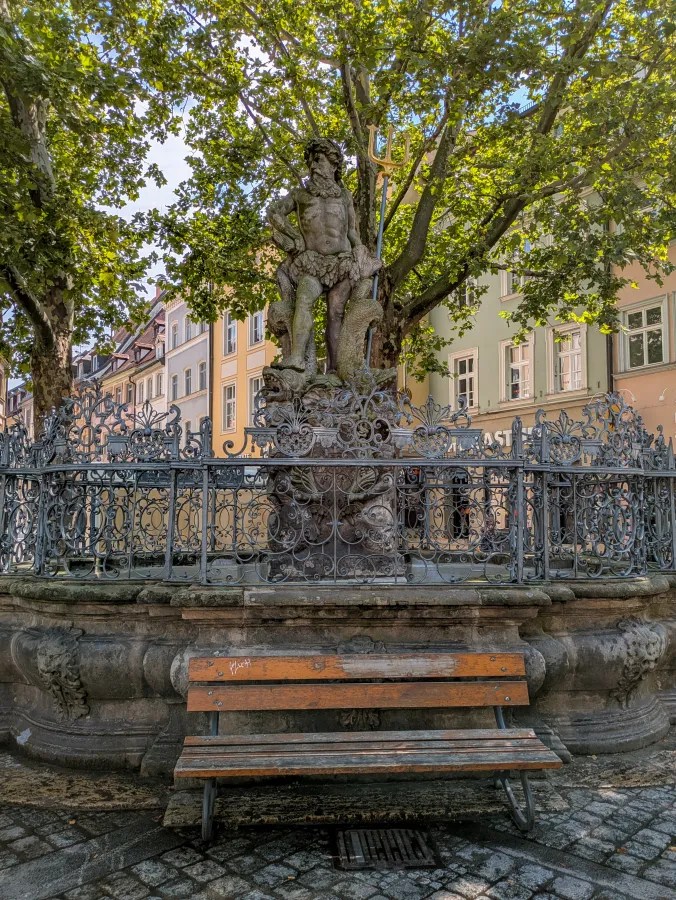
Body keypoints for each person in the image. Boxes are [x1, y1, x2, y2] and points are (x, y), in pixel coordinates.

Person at [268, 138, 380, 373]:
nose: (313, 166)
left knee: (336, 313)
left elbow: (351, 232)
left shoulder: (344, 196)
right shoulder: (300, 195)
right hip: (312, 263)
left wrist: (362, 255)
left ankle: (336, 369)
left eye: (318, 160)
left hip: (342, 263)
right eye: (310, 162)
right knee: (304, 300)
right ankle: (297, 358)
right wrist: (293, 236)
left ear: (333, 164)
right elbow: (274, 212)